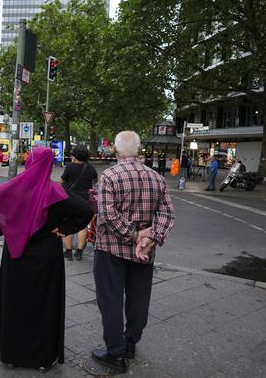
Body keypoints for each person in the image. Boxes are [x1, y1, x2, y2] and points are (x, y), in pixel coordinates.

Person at [0, 147, 93, 372]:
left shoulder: (12, 187)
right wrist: (64, 228)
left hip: (15, 253)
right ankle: (42, 358)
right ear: (49, 165)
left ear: (29, 161)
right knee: (44, 304)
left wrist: (2, 229)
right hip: (47, 254)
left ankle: (11, 354)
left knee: (14, 301)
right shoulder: (56, 192)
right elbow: (86, 210)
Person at [91, 131, 176, 373]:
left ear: (115, 151)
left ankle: (116, 354)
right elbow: (168, 214)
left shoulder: (109, 176)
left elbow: (107, 215)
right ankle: (130, 343)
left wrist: (134, 235)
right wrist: (150, 238)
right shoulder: (156, 177)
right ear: (139, 150)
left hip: (111, 249)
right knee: (139, 299)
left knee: (111, 301)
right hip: (144, 253)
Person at [60, 145, 98, 261]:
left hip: (70, 199)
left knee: (68, 222)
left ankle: (68, 251)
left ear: (74, 156)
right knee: (83, 225)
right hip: (85, 200)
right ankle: (79, 251)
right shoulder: (90, 168)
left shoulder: (69, 167)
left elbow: (62, 181)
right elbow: (95, 180)